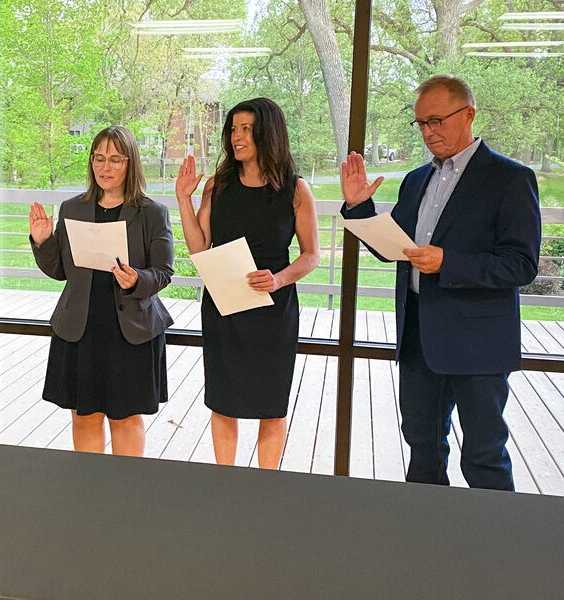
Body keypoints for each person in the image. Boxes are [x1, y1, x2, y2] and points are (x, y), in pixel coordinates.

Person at [340, 75, 541, 491]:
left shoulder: (510, 178)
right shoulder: (416, 180)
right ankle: (426, 544)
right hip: (418, 338)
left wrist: (448, 263)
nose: (428, 132)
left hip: (478, 346)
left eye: (436, 121)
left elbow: (521, 265)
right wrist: (360, 208)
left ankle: (493, 549)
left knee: (484, 458)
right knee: (422, 451)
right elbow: (394, 247)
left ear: (468, 114)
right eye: (421, 124)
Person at [175, 98, 320, 469]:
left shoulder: (296, 189)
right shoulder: (217, 184)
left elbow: (310, 255)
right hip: (224, 307)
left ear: (267, 133)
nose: (236, 137)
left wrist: (279, 279)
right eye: (233, 129)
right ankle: (227, 482)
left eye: (245, 129)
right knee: (223, 402)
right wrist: (183, 199)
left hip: (273, 311)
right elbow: (199, 247)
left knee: (271, 406)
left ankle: (265, 485)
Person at [29, 126, 174, 457]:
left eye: (114, 159)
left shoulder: (152, 213)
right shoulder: (73, 209)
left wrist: (136, 279)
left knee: (125, 419)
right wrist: (43, 241)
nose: (105, 167)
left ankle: (126, 495)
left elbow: (163, 272)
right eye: (98, 158)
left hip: (130, 331)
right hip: (81, 328)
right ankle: (89, 494)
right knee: (83, 417)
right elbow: (59, 271)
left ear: (130, 164)